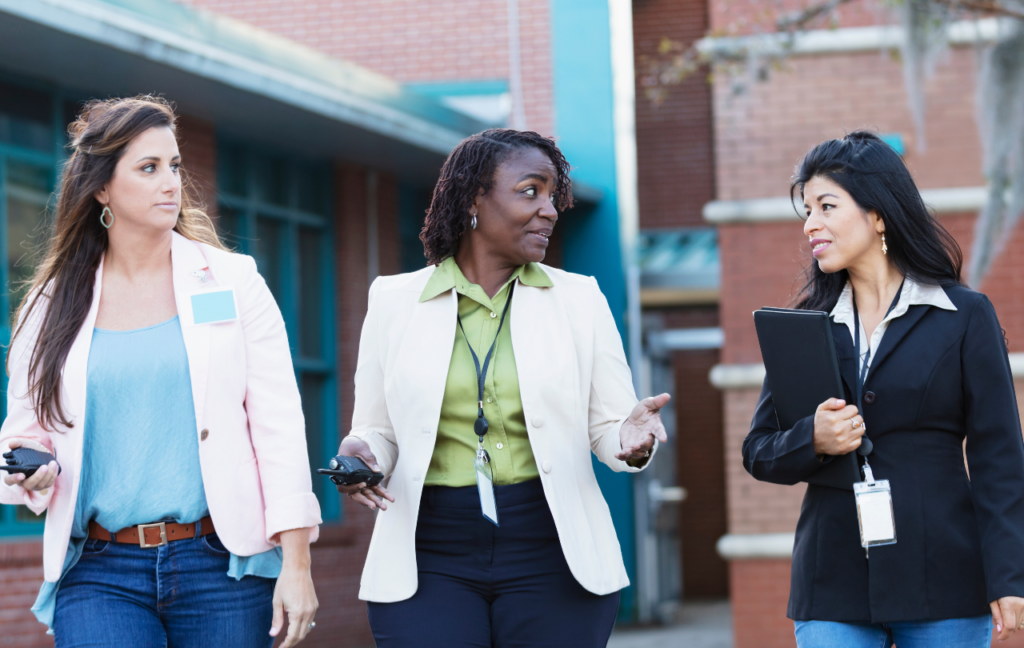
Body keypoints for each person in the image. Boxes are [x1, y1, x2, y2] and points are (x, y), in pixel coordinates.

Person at [0, 96, 321, 647]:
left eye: (174, 166)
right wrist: (33, 467)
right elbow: (24, 432)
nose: (171, 183)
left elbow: (279, 426)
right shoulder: (49, 304)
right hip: (99, 570)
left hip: (221, 566)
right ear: (102, 189)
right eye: (148, 168)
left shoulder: (234, 281)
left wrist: (297, 563)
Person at [333, 128, 670, 647]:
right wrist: (364, 451)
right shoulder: (393, 301)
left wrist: (630, 438)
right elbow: (378, 428)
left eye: (553, 196)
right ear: (474, 198)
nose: (550, 210)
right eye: (530, 191)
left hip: (552, 547)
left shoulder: (580, 300)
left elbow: (608, 425)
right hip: (428, 550)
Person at [743, 131, 1024, 648]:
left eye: (827, 206)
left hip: (945, 579)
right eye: (807, 210)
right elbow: (758, 451)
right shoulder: (805, 327)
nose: (810, 224)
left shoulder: (964, 316)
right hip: (833, 584)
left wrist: (1011, 576)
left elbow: (999, 456)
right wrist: (813, 439)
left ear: (877, 214)